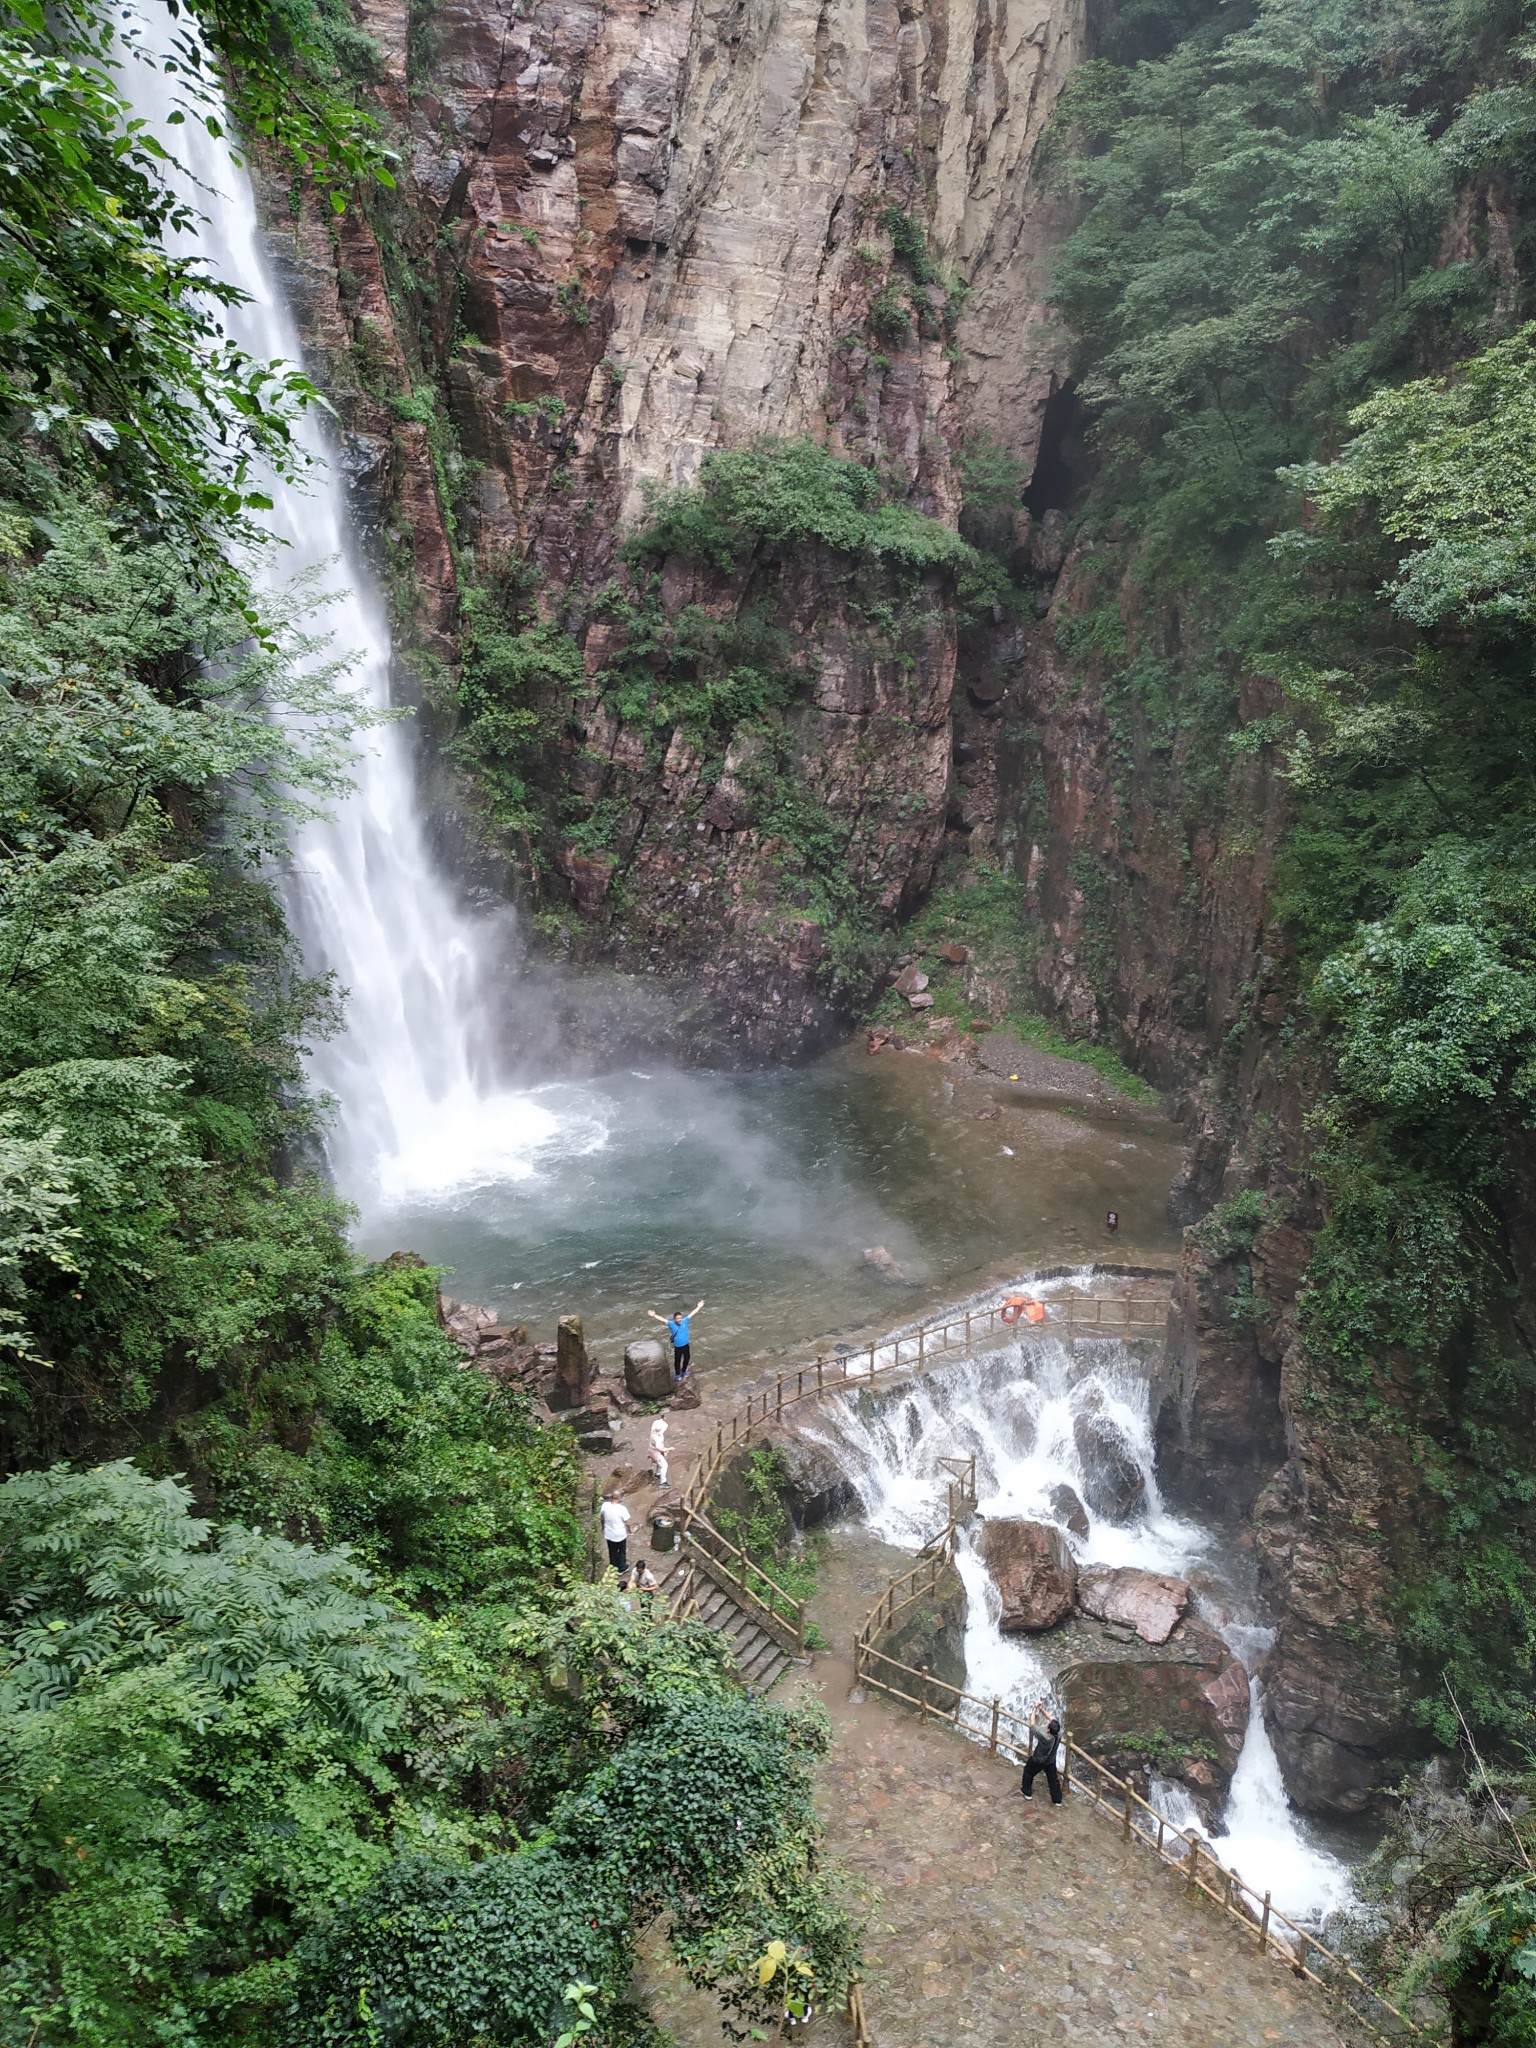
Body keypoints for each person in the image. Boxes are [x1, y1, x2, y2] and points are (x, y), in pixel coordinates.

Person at [649, 1299, 704, 1382]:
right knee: (677, 1361)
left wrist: (698, 1307)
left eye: (680, 1318)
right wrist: (654, 1315)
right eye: (678, 1318)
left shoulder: (685, 1321)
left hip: (686, 1345)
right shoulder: (671, 1324)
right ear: (674, 1319)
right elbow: (662, 1320)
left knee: (687, 1358)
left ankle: (684, 1371)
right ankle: (677, 1374)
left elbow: (692, 1313)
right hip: (678, 1346)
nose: (679, 1320)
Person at [1021, 1705, 1063, 1805]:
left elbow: (1032, 1725)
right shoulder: (1059, 1734)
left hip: (1038, 1760)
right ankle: (1057, 1800)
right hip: (1051, 1761)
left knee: (1028, 1773)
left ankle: (1027, 1793)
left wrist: (1034, 1709)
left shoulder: (1045, 1737)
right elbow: (1052, 1718)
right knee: (1053, 1780)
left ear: (1049, 1729)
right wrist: (1042, 1709)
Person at [599, 1487, 632, 1575]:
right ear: (620, 1498)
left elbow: (602, 1518)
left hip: (609, 1533)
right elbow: (628, 1522)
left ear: (611, 1497)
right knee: (621, 1551)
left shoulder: (605, 1506)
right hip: (620, 1534)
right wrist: (630, 1530)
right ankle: (621, 1568)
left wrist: (603, 1527)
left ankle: (613, 1566)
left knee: (612, 1551)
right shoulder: (622, 1509)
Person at [648, 1412, 670, 1488]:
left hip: (652, 1450)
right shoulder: (656, 1437)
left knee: (659, 1462)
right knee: (664, 1465)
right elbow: (659, 1447)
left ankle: (658, 1474)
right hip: (655, 1452)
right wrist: (668, 1449)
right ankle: (663, 1482)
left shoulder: (654, 1430)